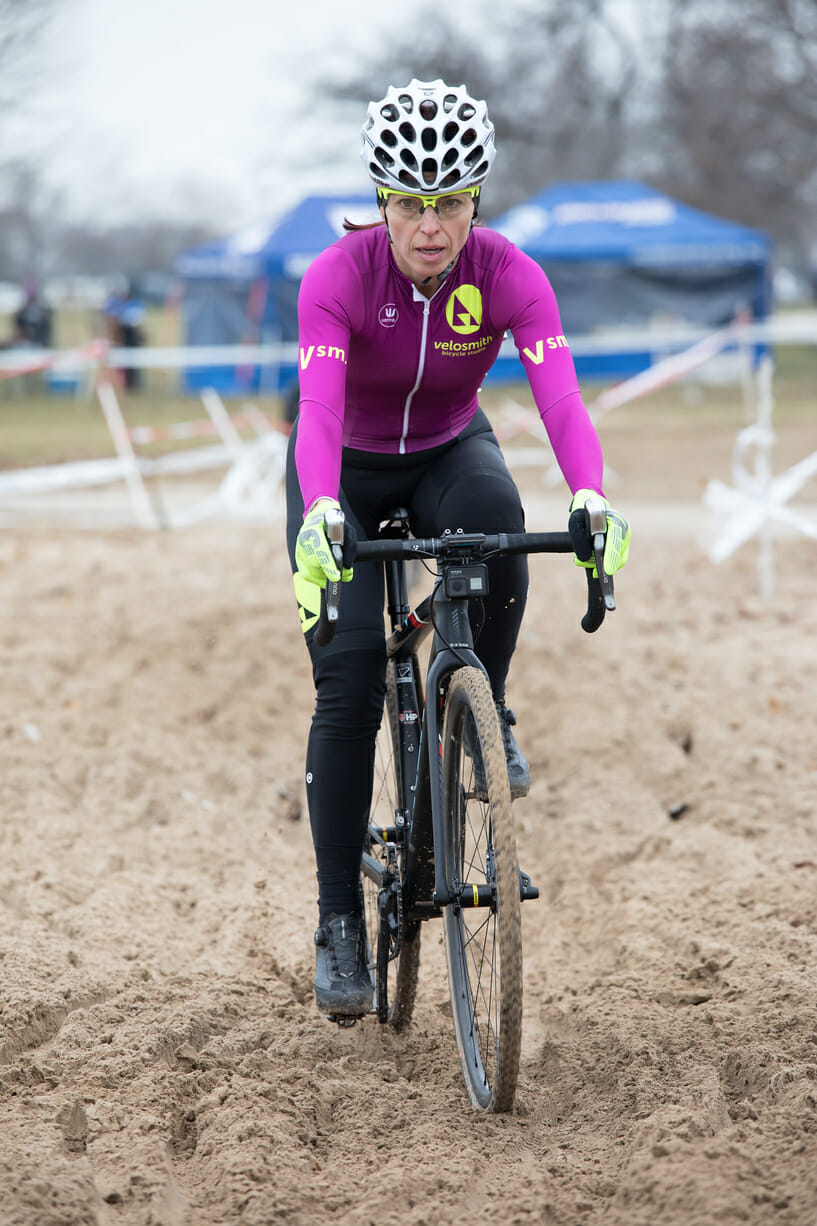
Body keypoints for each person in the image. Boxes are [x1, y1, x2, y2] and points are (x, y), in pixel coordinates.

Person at [285, 79, 631, 1019]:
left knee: (499, 526)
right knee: (350, 671)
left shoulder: (509, 274)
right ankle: (339, 922)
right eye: (409, 203)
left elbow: (558, 394)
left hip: (446, 450)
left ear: (476, 198)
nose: (429, 226)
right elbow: (316, 410)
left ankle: (488, 705)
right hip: (345, 470)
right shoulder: (340, 278)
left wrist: (589, 492)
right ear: (382, 202)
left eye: (447, 202)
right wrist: (319, 506)